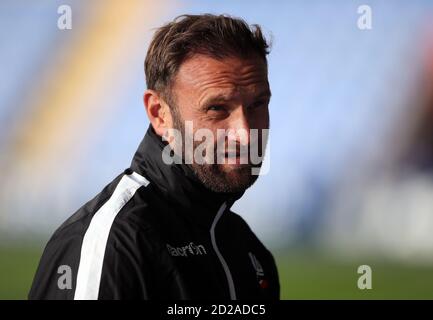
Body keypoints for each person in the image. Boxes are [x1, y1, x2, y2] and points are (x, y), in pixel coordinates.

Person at [29, 13, 280, 300]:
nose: (246, 134)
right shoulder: (114, 243)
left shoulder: (247, 250)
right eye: (217, 109)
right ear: (160, 114)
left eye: (258, 104)